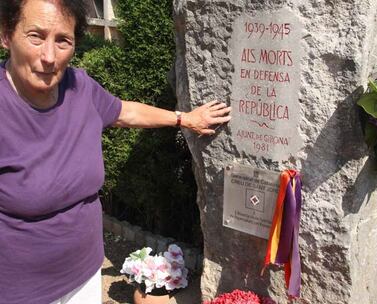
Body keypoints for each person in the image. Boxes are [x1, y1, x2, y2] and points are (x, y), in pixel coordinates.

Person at [0, 0, 231, 303]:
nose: (49, 56)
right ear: (6, 35)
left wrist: (184, 118)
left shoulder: (79, 87)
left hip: (83, 274)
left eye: (63, 41)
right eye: (35, 36)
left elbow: (124, 112)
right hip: (20, 289)